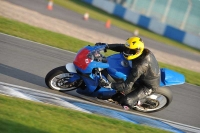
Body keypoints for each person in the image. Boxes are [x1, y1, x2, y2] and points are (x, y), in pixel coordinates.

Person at [97, 36, 160, 109]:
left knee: (126, 102)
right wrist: (106, 46)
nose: (127, 52)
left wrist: (109, 85)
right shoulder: (138, 51)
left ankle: (142, 101)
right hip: (144, 73)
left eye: (131, 51)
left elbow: (127, 86)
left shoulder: (139, 67)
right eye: (127, 49)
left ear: (138, 51)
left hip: (147, 86)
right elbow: (122, 47)